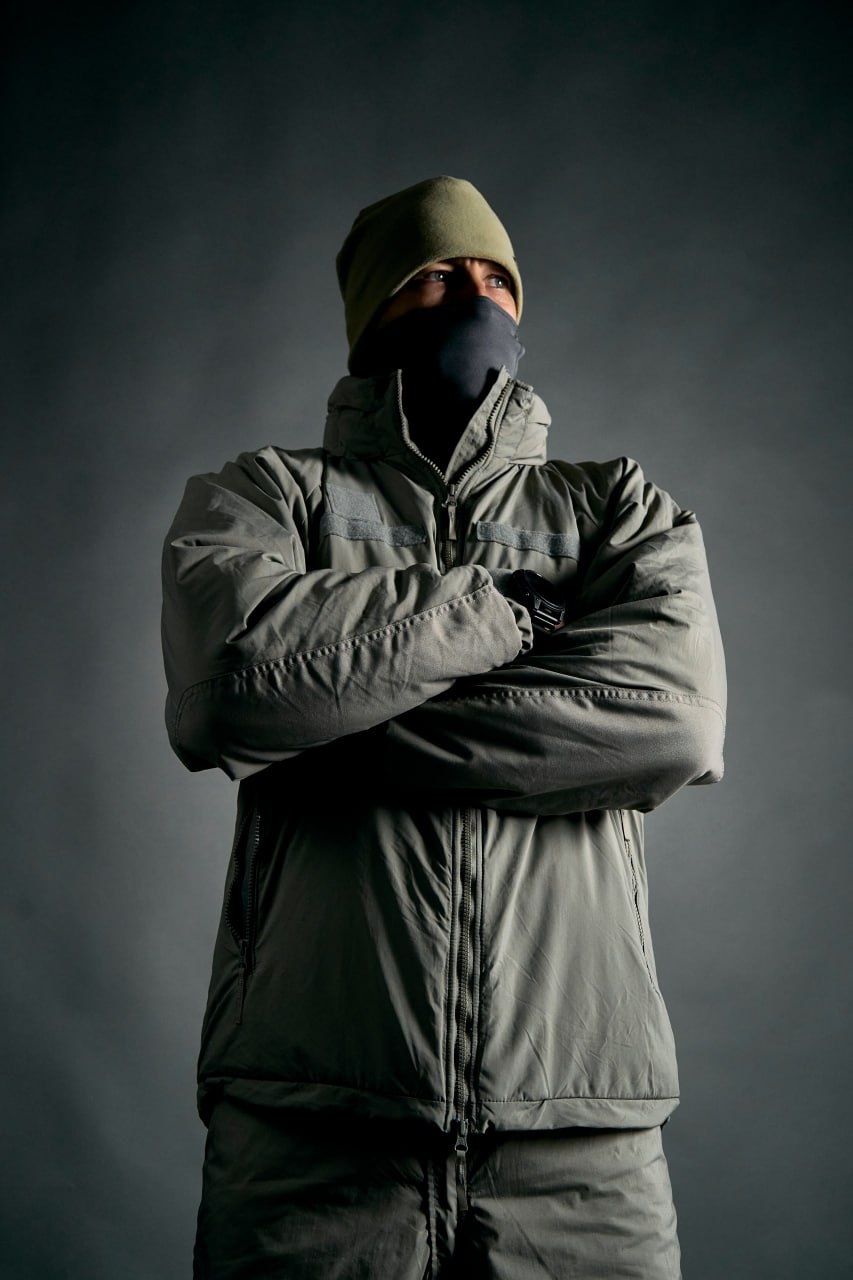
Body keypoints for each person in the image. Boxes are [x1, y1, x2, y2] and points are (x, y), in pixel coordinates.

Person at [161, 175, 726, 1278]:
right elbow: (231, 689)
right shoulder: (267, 496)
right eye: (434, 274)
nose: (474, 297)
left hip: (580, 1137)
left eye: (494, 278)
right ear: (372, 311)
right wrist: (502, 613)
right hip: (313, 1131)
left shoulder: (616, 508)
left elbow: (672, 722)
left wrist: (333, 712)